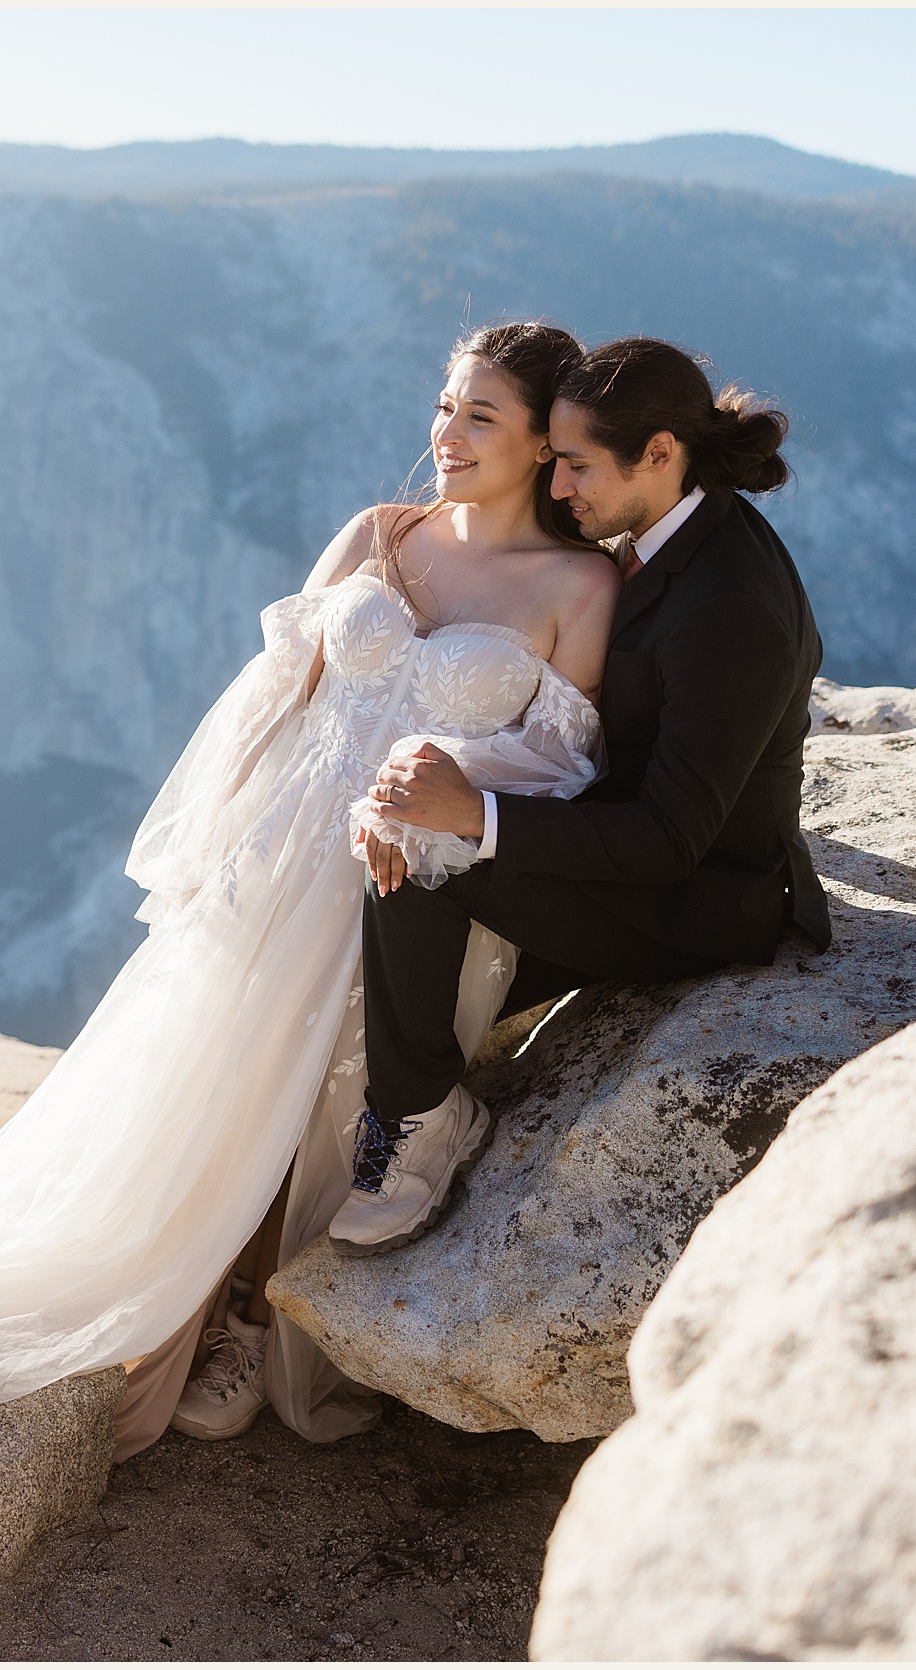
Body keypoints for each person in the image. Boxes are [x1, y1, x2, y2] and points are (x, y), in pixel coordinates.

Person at [0, 320, 621, 1457]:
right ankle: (185, 1305)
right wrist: (209, 844)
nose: (446, 432)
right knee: (208, 1079)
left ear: (541, 441)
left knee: (320, 1099)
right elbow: (275, 694)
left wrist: (444, 788)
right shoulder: (383, 531)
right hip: (279, 843)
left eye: (480, 415)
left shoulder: (578, 581)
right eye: (443, 404)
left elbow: (564, 763)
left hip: (409, 876)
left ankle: (251, 1313)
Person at [330, 336, 829, 1259]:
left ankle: (419, 1119)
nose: (558, 491)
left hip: (692, 904)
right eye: (554, 462)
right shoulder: (678, 529)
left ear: (662, 454)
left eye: (577, 467)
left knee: (428, 854)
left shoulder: (730, 605)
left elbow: (671, 841)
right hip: (617, 834)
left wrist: (469, 817)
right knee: (373, 906)